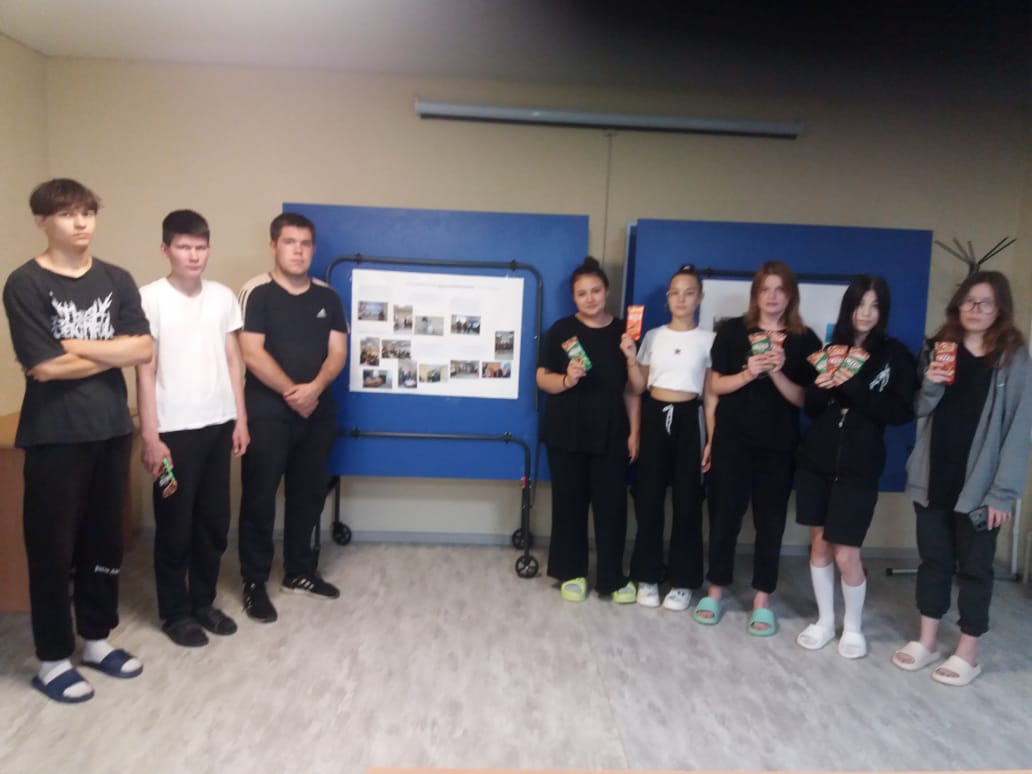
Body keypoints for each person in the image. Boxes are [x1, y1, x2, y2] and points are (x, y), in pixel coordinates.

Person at [2, 179, 152, 703]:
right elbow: (43, 366)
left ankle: (96, 639)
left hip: (111, 429)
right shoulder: (25, 283)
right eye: (68, 214)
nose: (82, 222)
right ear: (42, 221)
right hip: (54, 435)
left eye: (88, 212)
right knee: (52, 548)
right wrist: (111, 351)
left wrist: (74, 346)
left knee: (103, 542)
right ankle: (51, 660)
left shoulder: (116, 278)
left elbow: (143, 349)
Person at [892, 271, 1031, 685]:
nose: (975, 309)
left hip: (982, 486)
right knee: (933, 560)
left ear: (1000, 308)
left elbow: (1020, 427)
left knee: (975, 568)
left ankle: (968, 653)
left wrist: (1003, 494)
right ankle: (927, 640)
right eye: (969, 301)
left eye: (985, 302)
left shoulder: (1012, 356)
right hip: (934, 475)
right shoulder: (939, 348)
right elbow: (919, 409)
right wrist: (931, 383)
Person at [136, 210, 250, 647]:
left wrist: (240, 418)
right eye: (184, 247)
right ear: (165, 249)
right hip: (170, 435)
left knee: (213, 521)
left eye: (201, 247)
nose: (194, 255)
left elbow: (233, 360)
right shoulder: (149, 299)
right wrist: (151, 436)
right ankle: (175, 613)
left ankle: (203, 602)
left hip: (218, 427)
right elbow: (145, 370)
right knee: (173, 523)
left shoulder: (222, 298)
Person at [695, 261, 821, 634]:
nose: (772, 296)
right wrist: (750, 371)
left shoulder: (805, 340)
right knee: (724, 516)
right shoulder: (733, 332)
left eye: (780, 289)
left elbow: (805, 401)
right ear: (756, 294)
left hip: (778, 446)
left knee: (771, 522)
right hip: (732, 440)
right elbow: (715, 386)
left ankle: (763, 598)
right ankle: (715, 590)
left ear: (791, 295)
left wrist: (777, 371)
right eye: (765, 289)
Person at [794, 275, 916, 658]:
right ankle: (825, 621)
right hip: (816, 461)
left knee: (847, 552)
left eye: (874, 305)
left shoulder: (895, 355)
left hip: (860, 466)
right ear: (848, 307)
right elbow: (812, 408)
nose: (866, 313)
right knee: (819, 544)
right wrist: (823, 386)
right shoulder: (831, 349)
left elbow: (900, 412)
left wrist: (853, 387)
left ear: (883, 311)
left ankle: (853, 627)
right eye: (860, 304)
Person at [237, 212, 348, 623]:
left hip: (317, 411)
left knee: (308, 494)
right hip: (267, 411)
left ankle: (299, 571)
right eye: (289, 242)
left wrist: (314, 389)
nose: (298, 251)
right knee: (260, 497)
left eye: (305, 244)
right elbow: (251, 352)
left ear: (312, 249)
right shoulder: (256, 292)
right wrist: (292, 393)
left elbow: (338, 352)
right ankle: (254, 582)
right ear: (273, 246)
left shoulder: (328, 297)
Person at [536, 256, 645, 603]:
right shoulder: (561, 331)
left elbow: (635, 389)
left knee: (612, 508)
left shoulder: (625, 333)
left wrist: (634, 432)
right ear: (573, 297)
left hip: (611, 432)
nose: (590, 298)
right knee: (569, 505)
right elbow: (541, 378)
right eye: (582, 293)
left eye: (595, 290)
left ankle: (612, 577)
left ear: (607, 291)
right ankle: (572, 572)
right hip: (566, 431)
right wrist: (567, 380)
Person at [630, 264, 716, 611]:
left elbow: (711, 395)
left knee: (687, 502)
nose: (681, 299)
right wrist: (629, 359)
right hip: (654, 414)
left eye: (689, 293)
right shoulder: (653, 336)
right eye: (675, 293)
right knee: (649, 498)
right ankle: (647, 576)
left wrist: (711, 439)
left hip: (689, 418)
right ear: (667, 298)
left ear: (699, 298)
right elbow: (637, 386)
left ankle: (683, 582)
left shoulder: (709, 340)